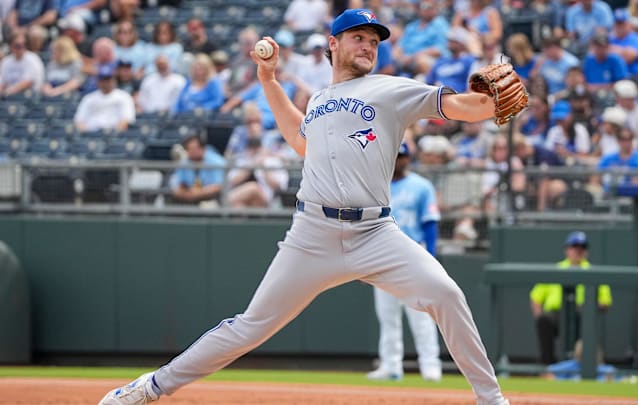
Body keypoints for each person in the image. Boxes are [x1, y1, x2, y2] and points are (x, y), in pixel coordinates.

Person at [99, 9, 513, 405]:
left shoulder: (390, 89)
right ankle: (149, 388)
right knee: (250, 327)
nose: (368, 46)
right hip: (312, 233)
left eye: (373, 41)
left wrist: (491, 102)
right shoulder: (318, 100)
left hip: (375, 233)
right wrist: (269, 79)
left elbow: (462, 106)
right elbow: (301, 141)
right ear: (333, 43)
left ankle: (491, 399)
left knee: (446, 294)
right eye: (358, 38)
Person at [366, 142, 443, 383]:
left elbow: (430, 224)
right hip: (382, 258)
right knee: (387, 318)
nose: (399, 160)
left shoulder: (421, 186)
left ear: (409, 159)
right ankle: (390, 366)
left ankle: (430, 367)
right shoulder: (376, 185)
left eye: (403, 156)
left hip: (413, 258)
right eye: (396, 156)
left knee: (421, 316)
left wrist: (430, 258)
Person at [529, 231, 612, 365]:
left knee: (585, 322)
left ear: (586, 251)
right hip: (556, 314)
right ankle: (547, 368)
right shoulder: (556, 269)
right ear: (567, 250)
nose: (578, 250)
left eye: (582, 247)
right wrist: (538, 314)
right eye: (575, 247)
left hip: (582, 315)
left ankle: (583, 367)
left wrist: (591, 309)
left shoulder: (593, 271)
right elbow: (535, 296)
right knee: (544, 320)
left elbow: (605, 301)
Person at [73, 64, 135, 132]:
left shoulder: (124, 97)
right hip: (92, 133)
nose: (106, 83)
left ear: (114, 79)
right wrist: (86, 135)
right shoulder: (89, 98)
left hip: (114, 134)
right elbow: (79, 121)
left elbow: (126, 120)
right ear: (98, 81)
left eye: (108, 79)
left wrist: (115, 135)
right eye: (103, 80)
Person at [170, 133, 226, 205]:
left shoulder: (217, 161)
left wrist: (198, 194)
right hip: (190, 197)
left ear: (203, 148)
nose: (192, 152)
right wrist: (186, 194)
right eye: (188, 149)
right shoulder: (184, 162)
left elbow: (219, 186)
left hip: (213, 197)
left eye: (194, 149)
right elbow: (180, 185)